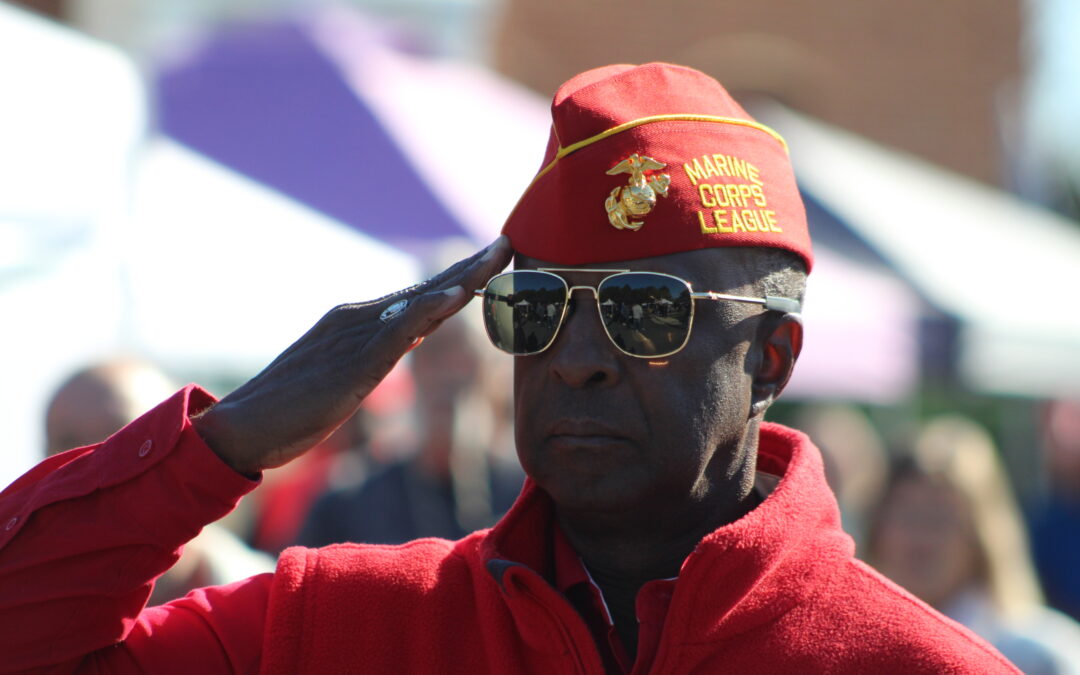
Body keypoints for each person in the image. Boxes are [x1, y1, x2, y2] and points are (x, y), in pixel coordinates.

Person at [1, 63, 1018, 673]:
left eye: (642, 314)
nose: (574, 361)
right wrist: (223, 442)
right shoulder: (349, 625)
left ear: (771, 357)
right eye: (535, 309)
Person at [41, 359, 275, 606]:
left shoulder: (271, 609)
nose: (94, 465)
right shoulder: (16, 620)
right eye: (68, 444)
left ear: (187, 447)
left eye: (126, 438)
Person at [867, 416, 1080, 674]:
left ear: (982, 534)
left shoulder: (1038, 654)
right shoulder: (855, 646)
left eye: (941, 518)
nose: (921, 538)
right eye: (907, 515)